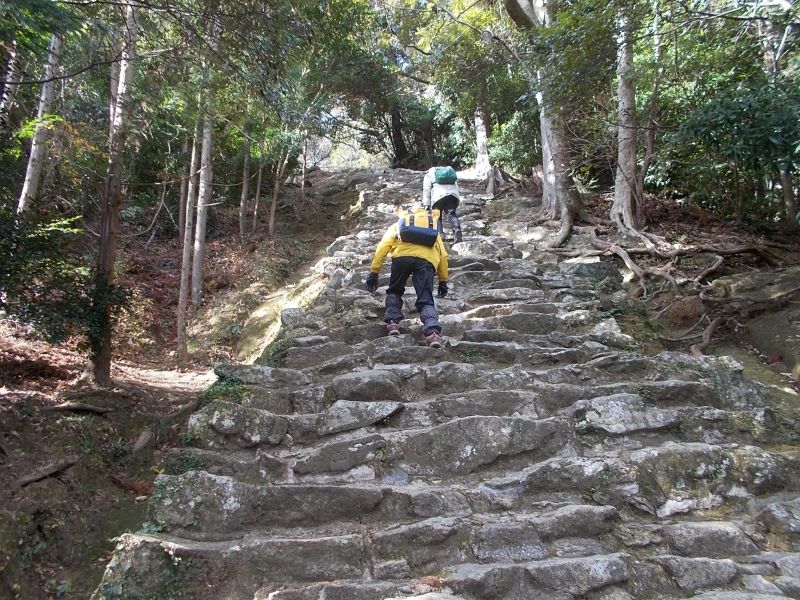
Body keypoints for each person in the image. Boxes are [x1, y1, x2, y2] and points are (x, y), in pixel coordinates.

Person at [364, 206, 449, 348]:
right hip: (426, 261)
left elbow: (383, 247)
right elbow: (443, 255)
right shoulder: (431, 224)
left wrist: (374, 271)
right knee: (426, 299)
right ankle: (432, 332)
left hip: (401, 257)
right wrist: (443, 280)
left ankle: (392, 323)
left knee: (395, 290)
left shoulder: (399, 223)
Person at [422, 166, 462, 243]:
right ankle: (457, 230)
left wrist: (426, 204)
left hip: (438, 196)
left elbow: (426, 190)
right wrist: (457, 200)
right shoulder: (450, 174)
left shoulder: (429, 175)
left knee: (437, 216)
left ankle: (440, 235)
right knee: (451, 214)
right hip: (452, 195)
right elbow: (456, 186)